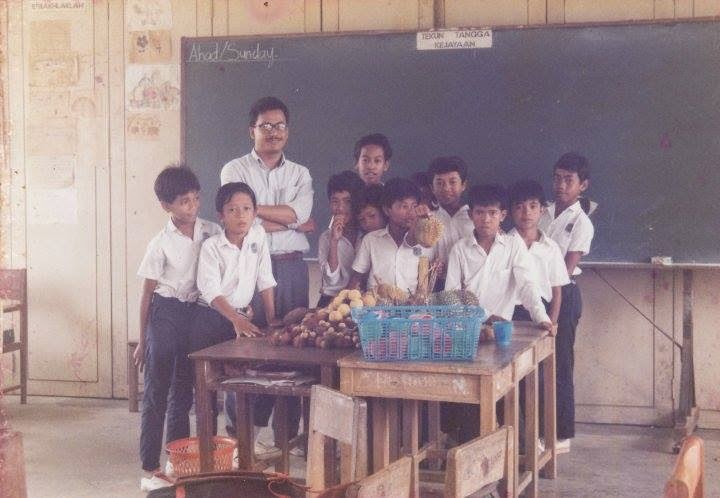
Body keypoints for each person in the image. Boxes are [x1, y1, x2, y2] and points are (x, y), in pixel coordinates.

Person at [219, 96, 312, 453]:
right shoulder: (234, 169)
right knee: (247, 348)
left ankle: (286, 436)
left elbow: (300, 214)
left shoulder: (300, 173)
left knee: (292, 348)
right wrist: (286, 220)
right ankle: (241, 434)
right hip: (249, 264)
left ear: (288, 130)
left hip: (290, 267)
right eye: (265, 126)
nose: (273, 132)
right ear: (252, 130)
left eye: (280, 125)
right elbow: (241, 218)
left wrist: (258, 214)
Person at [136, 165, 221, 491]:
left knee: (184, 390)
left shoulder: (211, 230)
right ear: (166, 205)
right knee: (156, 390)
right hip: (164, 312)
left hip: (195, 312)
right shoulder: (159, 244)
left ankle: (177, 460)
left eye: (196, 198)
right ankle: (150, 467)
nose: (192, 206)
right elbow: (146, 296)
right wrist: (143, 340)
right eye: (184, 201)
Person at [192, 182, 281, 453]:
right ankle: (212, 447)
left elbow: (265, 278)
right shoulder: (212, 246)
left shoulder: (257, 235)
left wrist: (272, 320)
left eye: (246, 209)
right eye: (232, 210)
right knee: (214, 383)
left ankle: (244, 441)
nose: (241, 215)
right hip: (212, 317)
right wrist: (235, 319)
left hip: (242, 316)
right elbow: (210, 291)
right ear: (221, 215)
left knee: (249, 376)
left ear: (255, 212)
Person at [538, 152, 594, 453]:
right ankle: (537, 431)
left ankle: (561, 435)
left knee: (560, 364)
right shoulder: (541, 211)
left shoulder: (581, 222)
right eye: (557, 178)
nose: (560, 185)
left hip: (563, 294)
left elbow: (566, 269)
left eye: (568, 180)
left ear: (582, 185)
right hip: (535, 295)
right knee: (535, 366)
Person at [348, 177, 434, 292]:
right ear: (387, 210)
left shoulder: (424, 242)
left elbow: (426, 281)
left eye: (414, 206)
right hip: (376, 302)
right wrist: (347, 299)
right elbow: (356, 278)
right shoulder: (371, 240)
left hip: (412, 303)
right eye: (404, 206)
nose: (410, 212)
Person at [507, 179, 569, 325]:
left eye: (533, 206)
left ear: (542, 210)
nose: (526, 212)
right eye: (519, 207)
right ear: (509, 212)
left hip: (543, 311)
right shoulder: (503, 245)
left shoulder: (551, 247)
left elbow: (556, 291)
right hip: (510, 312)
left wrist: (552, 323)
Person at [317, 171, 365, 308]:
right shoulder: (326, 237)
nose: (340, 208)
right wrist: (334, 241)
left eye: (347, 201)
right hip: (331, 301)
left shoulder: (368, 234)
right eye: (335, 202)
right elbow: (332, 281)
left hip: (361, 301)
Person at [427, 156, 474, 288]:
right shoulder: (429, 219)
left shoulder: (476, 218)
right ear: (432, 187)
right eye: (440, 183)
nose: (446, 188)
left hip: (472, 285)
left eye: (453, 182)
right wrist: (431, 266)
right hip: (438, 286)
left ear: (463, 185)